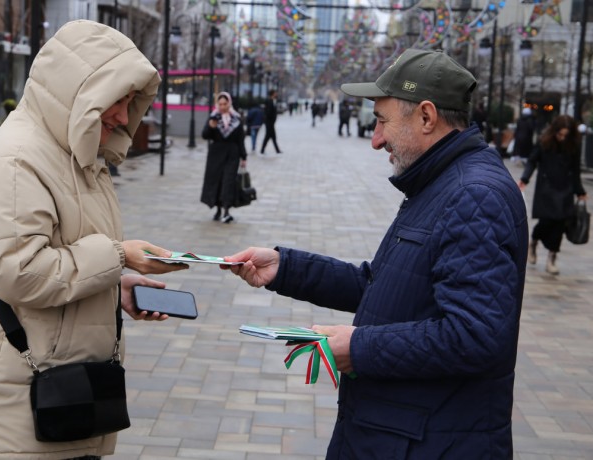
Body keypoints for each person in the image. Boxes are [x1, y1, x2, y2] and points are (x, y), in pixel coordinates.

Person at [223, 49, 527, 458]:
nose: (375, 138)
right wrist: (286, 268)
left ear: (426, 116)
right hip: (398, 432)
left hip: (428, 441)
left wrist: (360, 347)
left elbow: (472, 335)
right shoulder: (439, 183)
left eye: (383, 121)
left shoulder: (473, 195)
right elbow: (383, 286)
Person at [0, 20, 188, 460]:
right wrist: (118, 257)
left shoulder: (74, 154)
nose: (120, 115)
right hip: (15, 414)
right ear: (77, 89)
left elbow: (63, 255)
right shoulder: (18, 159)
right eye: (115, 99)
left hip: (59, 397)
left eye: (130, 102)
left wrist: (117, 286)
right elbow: (20, 273)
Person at [518, 114, 587, 275]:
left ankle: (551, 258)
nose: (562, 138)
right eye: (560, 134)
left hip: (565, 189)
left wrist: (580, 192)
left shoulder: (573, 146)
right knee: (546, 222)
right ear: (554, 131)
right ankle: (534, 242)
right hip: (546, 189)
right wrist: (524, 178)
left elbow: (575, 171)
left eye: (566, 135)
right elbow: (532, 161)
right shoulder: (544, 142)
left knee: (560, 225)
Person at [200, 92, 248, 223]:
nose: (222, 106)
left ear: (229, 103)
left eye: (225, 104)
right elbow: (205, 135)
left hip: (232, 155)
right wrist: (211, 127)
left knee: (228, 182)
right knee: (217, 181)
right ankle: (218, 209)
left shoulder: (237, 118)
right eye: (220, 104)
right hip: (216, 155)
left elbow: (241, 140)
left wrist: (244, 157)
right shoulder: (213, 117)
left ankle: (226, 210)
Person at [260, 89, 282, 154]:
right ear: (273, 94)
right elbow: (268, 112)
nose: (276, 94)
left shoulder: (272, 101)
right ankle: (263, 150)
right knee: (269, 136)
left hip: (270, 122)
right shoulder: (269, 101)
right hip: (269, 122)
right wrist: (270, 120)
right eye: (275, 93)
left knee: (272, 136)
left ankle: (276, 150)